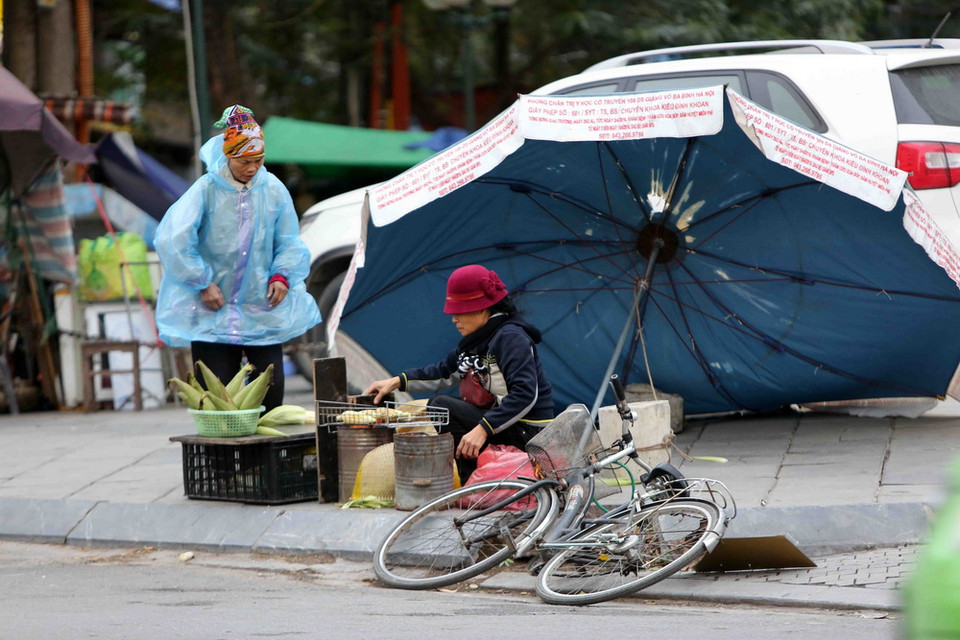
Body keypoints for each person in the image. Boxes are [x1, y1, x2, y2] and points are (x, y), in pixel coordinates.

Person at [154, 105, 321, 412]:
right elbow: (173, 239)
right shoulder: (205, 191)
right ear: (228, 156)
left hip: (261, 310)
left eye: (258, 160)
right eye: (245, 161)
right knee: (219, 403)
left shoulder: (273, 190)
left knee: (270, 399)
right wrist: (202, 282)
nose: (252, 167)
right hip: (211, 313)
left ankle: (268, 461)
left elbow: (288, 242)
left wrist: (281, 275)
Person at [365, 264, 554, 481]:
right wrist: (397, 381)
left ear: (483, 308)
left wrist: (483, 428)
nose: (454, 319)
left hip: (529, 433)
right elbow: (444, 372)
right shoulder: (475, 341)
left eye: (460, 312)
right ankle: (476, 479)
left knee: (442, 405)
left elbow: (525, 394)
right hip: (505, 424)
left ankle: (476, 479)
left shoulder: (511, 338)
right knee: (442, 405)